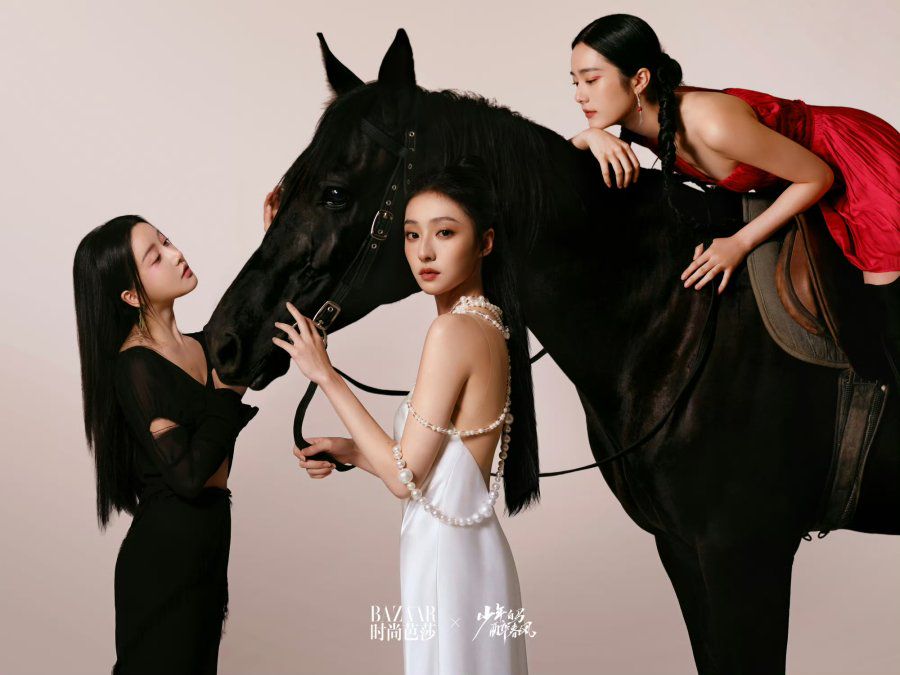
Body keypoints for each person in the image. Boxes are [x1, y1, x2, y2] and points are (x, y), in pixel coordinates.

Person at [272, 157, 535, 674]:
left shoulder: (453, 331)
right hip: (471, 555)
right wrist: (353, 452)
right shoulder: (490, 325)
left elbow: (404, 476)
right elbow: (438, 475)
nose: (425, 252)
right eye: (412, 235)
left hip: (448, 564)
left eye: (445, 233)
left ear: (485, 242)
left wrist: (325, 375)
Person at [568, 13, 900, 385]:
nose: (580, 95)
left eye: (591, 80)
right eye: (575, 82)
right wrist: (586, 137)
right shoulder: (637, 125)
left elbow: (817, 176)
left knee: (887, 320)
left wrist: (739, 243)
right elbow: (553, 176)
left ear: (640, 80)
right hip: (798, 173)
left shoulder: (713, 125)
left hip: (853, 160)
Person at [73, 216, 258, 674]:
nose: (176, 254)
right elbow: (189, 477)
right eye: (156, 257)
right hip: (164, 564)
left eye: (167, 240)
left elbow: (254, 314)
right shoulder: (136, 366)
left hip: (207, 553)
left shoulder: (203, 346)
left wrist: (275, 232)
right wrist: (227, 396)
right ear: (132, 296)